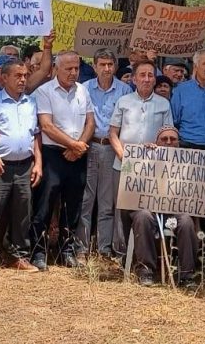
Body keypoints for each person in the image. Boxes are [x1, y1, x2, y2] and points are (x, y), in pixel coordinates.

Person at [32, 52, 95, 270]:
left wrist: (79, 146)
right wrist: (73, 144)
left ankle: (66, 250)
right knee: (45, 203)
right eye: (68, 68)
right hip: (53, 154)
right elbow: (46, 126)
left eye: (76, 68)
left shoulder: (83, 90)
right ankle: (38, 251)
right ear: (56, 68)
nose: (73, 72)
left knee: (74, 204)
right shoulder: (44, 91)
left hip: (77, 154)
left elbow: (90, 122)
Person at [109, 61, 174, 274]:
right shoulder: (123, 101)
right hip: (124, 165)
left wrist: (158, 147)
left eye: (150, 75)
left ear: (155, 79)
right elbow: (113, 134)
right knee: (122, 211)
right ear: (134, 78)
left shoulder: (164, 104)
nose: (146, 79)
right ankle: (121, 256)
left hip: (153, 170)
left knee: (145, 212)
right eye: (142, 75)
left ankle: (145, 259)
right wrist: (125, 157)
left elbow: (168, 135)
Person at [123, 126, 201, 287]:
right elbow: (129, 176)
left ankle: (187, 275)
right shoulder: (146, 155)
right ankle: (146, 271)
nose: (168, 142)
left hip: (175, 210)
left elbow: (197, 190)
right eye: (164, 139)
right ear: (156, 141)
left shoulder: (189, 161)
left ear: (178, 143)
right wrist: (145, 156)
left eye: (173, 139)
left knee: (186, 221)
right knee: (142, 216)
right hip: (149, 209)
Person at [0, 60, 42, 272]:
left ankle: (20, 255)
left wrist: (39, 163)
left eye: (25, 75)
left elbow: (35, 135)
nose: (23, 80)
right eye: (18, 76)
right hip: (0, 166)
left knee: (23, 211)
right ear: (4, 78)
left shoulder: (31, 102)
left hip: (25, 165)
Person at [81, 49, 131, 258]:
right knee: (86, 199)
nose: (106, 69)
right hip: (88, 146)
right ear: (94, 66)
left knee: (107, 201)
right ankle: (81, 248)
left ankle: (104, 249)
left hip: (112, 148)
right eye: (102, 64)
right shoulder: (83, 89)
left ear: (115, 66)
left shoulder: (125, 90)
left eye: (110, 64)